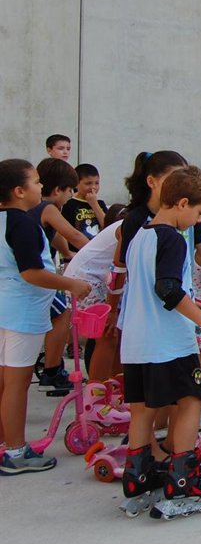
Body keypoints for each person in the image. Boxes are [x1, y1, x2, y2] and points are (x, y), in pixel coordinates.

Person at [119, 166, 201, 510]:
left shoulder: (141, 234)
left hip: (136, 342)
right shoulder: (172, 239)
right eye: (198, 213)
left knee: (142, 409)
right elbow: (166, 288)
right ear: (182, 203)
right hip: (167, 343)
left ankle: (137, 474)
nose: (197, 222)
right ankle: (183, 478)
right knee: (190, 401)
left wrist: (191, 303)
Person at [0, 159, 89, 475]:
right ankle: (15, 451)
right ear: (19, 191)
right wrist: (72, 284)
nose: (41, 187)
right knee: (16, 384)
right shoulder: (22, 223)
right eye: (36, 182)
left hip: (7, 309)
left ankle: (5, 443)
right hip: (21, 312)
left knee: (5, 382)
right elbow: (32, 273)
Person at [29, 158, 92, 392]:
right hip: (38, 277)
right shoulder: (48, 208)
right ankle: (52, 369)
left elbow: (56, 237)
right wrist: (97, 252)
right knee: (62, 315)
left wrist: (67, 254)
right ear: (57, 190)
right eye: (70, 190)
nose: (71, 195)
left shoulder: (33, 209)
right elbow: (73, 234)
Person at [62, 203, 126, 378]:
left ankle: (116, 386)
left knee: (116, 336)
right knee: (108, 335)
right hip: (86, 280)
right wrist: (112, 310)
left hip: (98, 279)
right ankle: (97, 389)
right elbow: (119, 269)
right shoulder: (129, 226)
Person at [62, 163, 108, 249]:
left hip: (97, 249)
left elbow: (108, 226)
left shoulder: (100, 204)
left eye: (97, 183)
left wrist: (94, 205)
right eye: (88, 183)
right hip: (77, 250)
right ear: (76, 184)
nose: (93, 187)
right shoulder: (69, 204)